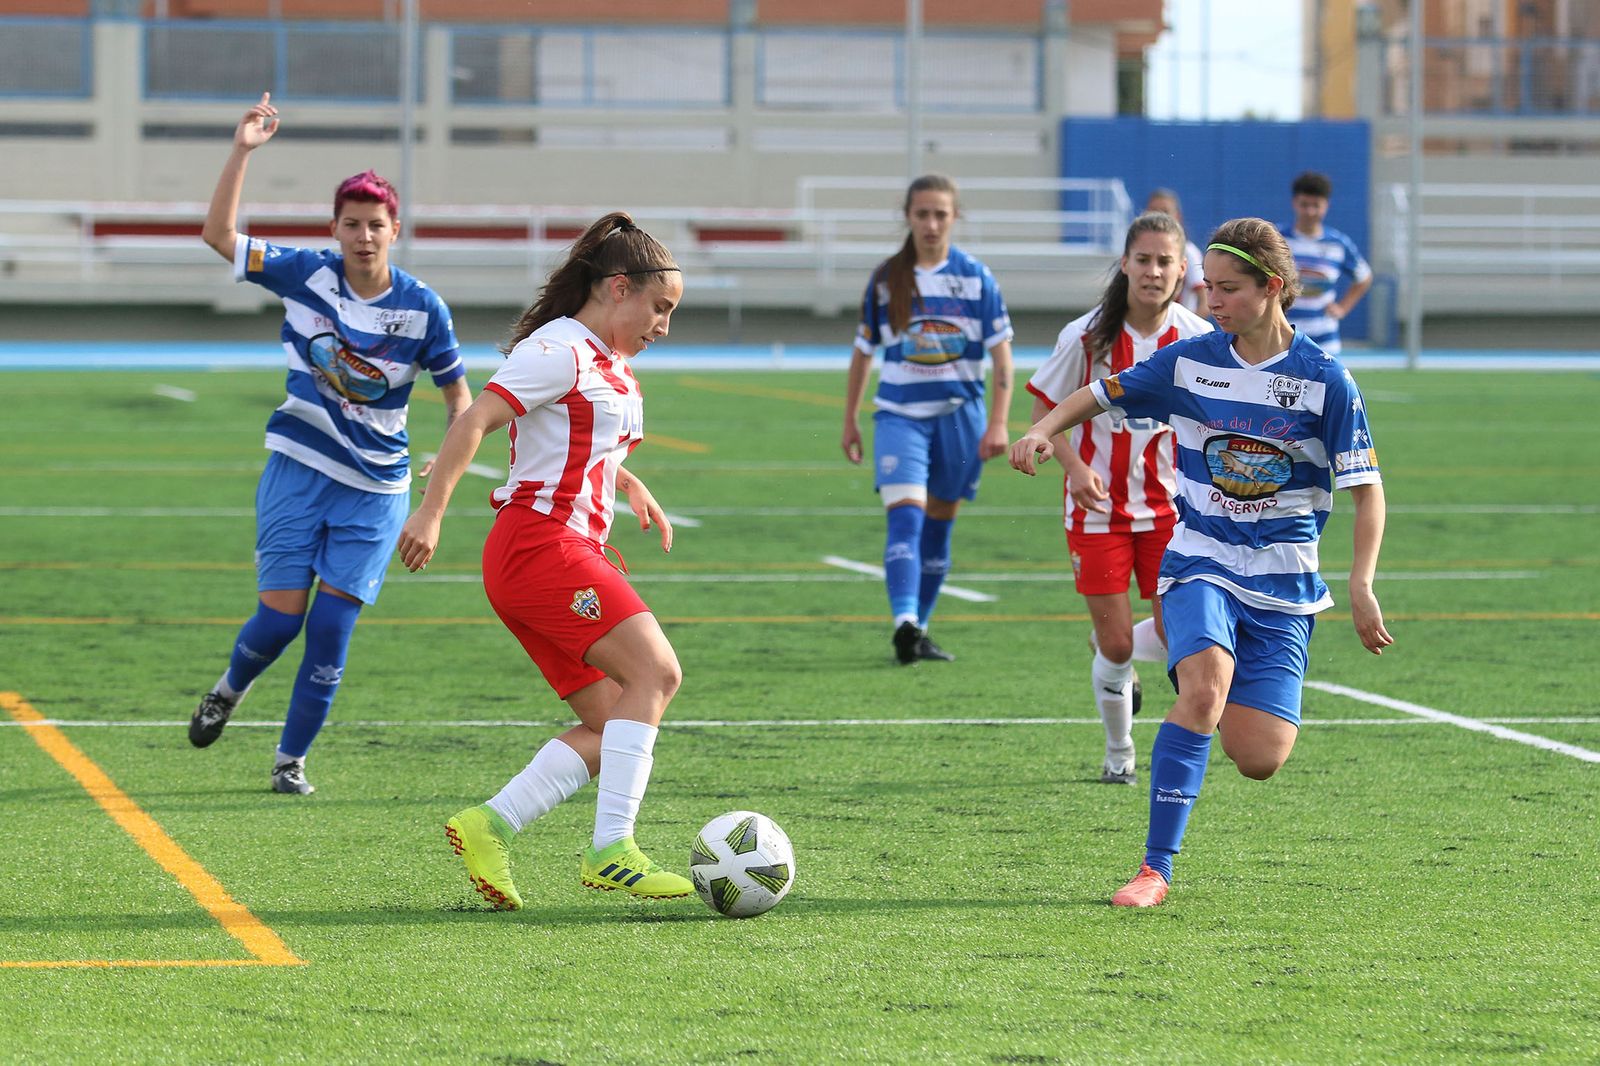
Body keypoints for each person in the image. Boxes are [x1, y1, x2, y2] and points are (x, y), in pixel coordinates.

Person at [1010, 218, 1392, 908]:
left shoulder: (1326, 381)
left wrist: (1360, 584)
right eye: (1207, 286)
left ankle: (1190, 658)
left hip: (1283, 580)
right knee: (1204, 690)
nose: (1210, 300)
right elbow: (1099, 394)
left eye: (1227, 288)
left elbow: (1367, 489)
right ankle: (1154, 869)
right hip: (1200, 558)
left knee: (1258, 758)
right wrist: (1042, 430)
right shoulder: (1191, 360)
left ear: (1272, 288)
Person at [396, 212, 693, 909]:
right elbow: (476, 419)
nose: (664, 326)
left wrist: (628, 481)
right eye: (660, 307)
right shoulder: (561, 349)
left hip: (558, 551)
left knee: (617, 716)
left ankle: (489, 824)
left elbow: (576, 448)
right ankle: (612, 850)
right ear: (618, 288)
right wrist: (431, 512)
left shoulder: (615, 369)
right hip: (540, 547)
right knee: (658, 672)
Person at [188, 92, 470, 795]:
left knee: (332, 630)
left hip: (376, 489)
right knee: (280, 621)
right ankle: (229, 688)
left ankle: (290, 762)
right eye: (352, 224)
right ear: (335, 228)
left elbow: (461, 400)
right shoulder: (303, 273)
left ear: (395, 230)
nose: (364, 236)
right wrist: (243, 150)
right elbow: (219, 234)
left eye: (376, 224)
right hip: (297, 468)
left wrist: (436, 490)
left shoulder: (424, 308)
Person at [1023, 212, 1212, 786]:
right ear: (1125, 264)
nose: (1153, 272)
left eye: (1165, 262)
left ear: (1182, 271)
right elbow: (1043, 415)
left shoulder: (1199, 339)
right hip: (1098, 510)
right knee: (1115, 641)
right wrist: (1075, 468)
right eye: (1143, 260)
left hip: (1172, 514)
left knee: (1173, 636)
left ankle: (1127, 662)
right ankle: (1119, 750)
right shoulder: (1087, 336)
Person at [842, 174, 1015, 665]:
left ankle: (920, 627)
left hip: (961, 419)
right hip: (899, 417)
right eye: (923, 213)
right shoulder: (885, 280)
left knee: (940, 527)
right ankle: (904, 620)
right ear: (908, 217)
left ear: (955, 218)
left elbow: (1002, 357)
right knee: (906, 519)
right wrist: (851, 419)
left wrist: (999, 423)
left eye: (941, 213)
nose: (932, 223)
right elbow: (862, 353)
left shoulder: (976, 278)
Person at [1280, 171, 1372, 357]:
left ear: (1326, 206)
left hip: (1325, 336)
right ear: (1294, 203)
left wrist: (1343, 308)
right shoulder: (1277, 238)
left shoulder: (1338, 243)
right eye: (1304, 205)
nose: (1310, 211)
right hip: (1284, 333)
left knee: (1327, 385)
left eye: (1316, 205)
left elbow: (1364, 276)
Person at [1144, 189, 1207, 315]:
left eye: (1165, 211)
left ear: (1177, 216)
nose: (1159, 217)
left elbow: (1205, 302)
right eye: (1154, 211)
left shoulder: (1188, 251)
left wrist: (1189, 329)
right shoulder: (1135, 249)